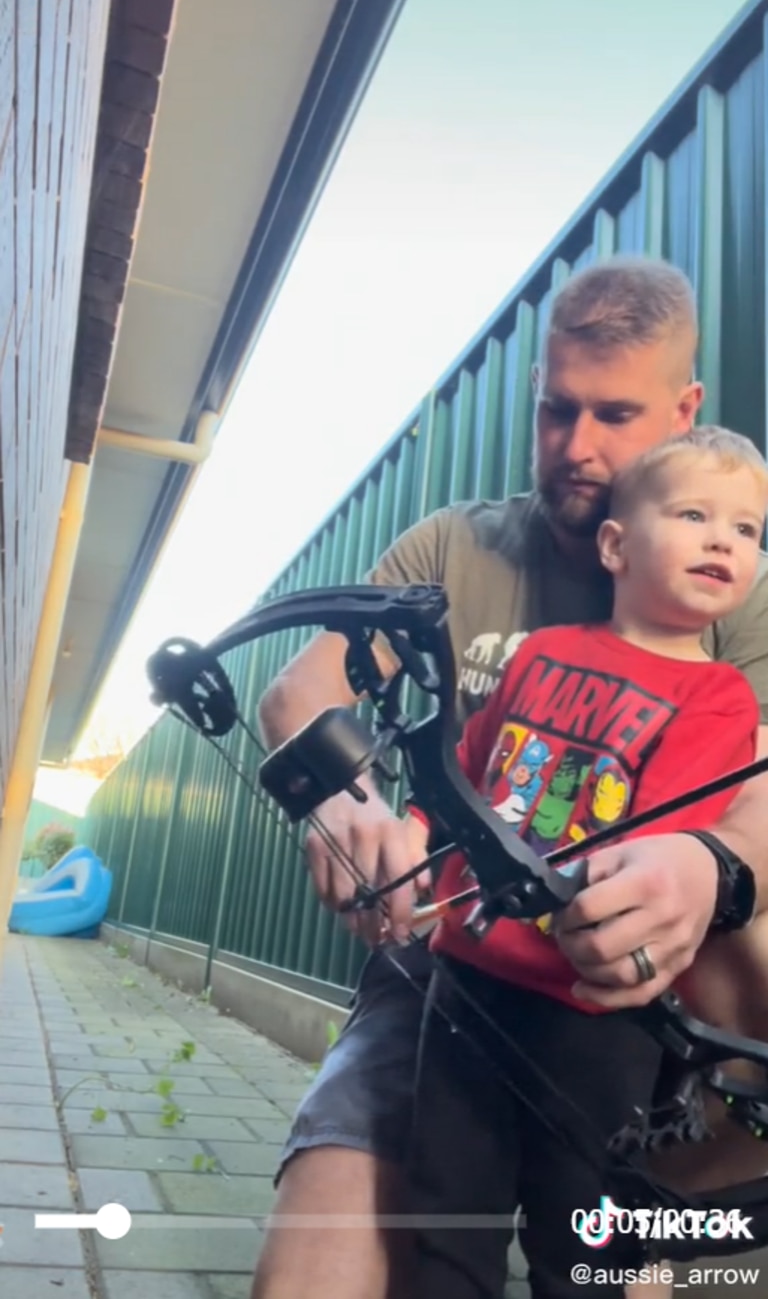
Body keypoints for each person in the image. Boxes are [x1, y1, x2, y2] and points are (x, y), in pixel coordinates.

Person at [250, 256, 768, 1299]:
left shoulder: (731, 580)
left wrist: (711, 865)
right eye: (555, 411)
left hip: (661, 1001)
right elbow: (298, 695)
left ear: (685, 406)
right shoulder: (455, 546)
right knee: (316, 1274)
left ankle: (670, 1245)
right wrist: (352, 806)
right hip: (453, 980)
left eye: (616, 415)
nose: (577, 448)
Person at [402, 424, 768, 1299]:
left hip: (594, 1013)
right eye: (693, 513)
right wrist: (419, 829)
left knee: (586, 1248)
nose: (725, 540)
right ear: (615, 543)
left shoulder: (723, 698)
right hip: (465, 983)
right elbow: (463, 772)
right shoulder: (540, 652)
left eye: (749, 530)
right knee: (443, 1220)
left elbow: (657, 847)